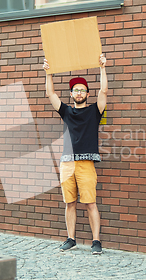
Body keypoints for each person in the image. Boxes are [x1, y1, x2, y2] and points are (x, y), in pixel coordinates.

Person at [44, 54, 107, 255]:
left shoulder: (94, 112)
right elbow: (50, 94)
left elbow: (104, 91)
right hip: (67, 164)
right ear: (71, 94)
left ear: (87, 94)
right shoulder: (66, 112)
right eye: (75, 90)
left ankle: (96, 241)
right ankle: (71, 239)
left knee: (90, 203)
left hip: (86, 164)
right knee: (69, 203)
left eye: (82, 90)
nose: (79, 92)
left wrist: (102, 68)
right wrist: (48, 73)